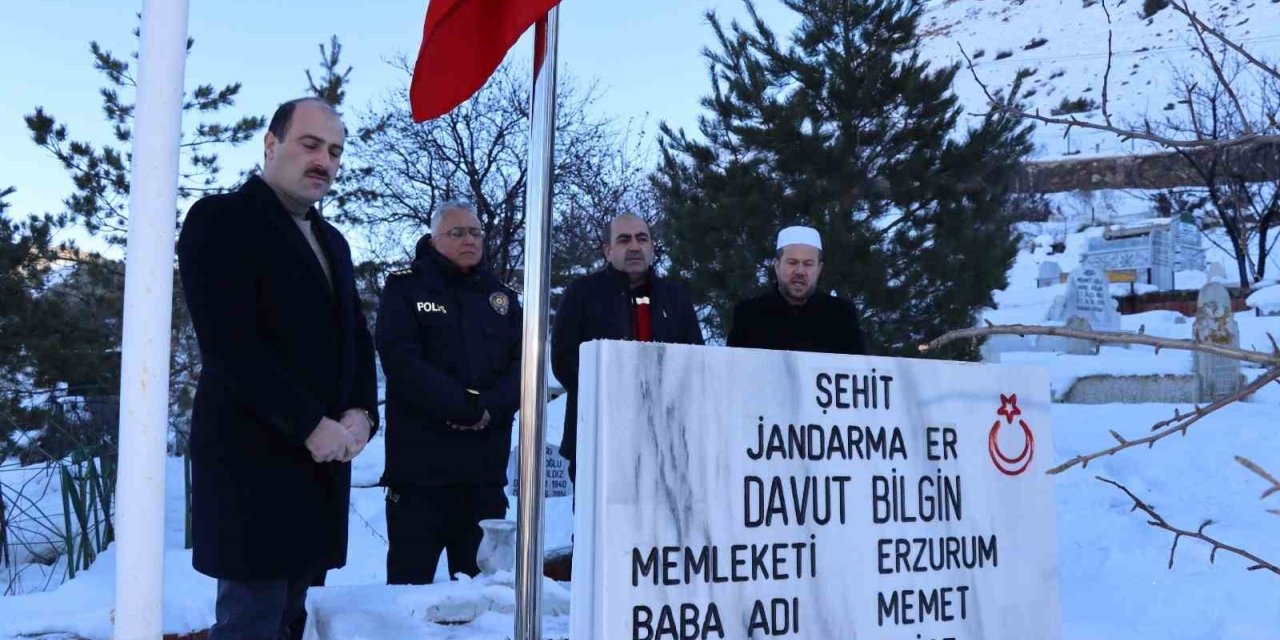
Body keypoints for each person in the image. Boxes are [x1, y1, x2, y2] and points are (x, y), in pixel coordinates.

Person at [177, 97, 378, 640]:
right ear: (271, 145)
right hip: (254, 466)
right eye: (310, 145)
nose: (325, 161)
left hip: (320, 471)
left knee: (290, 619)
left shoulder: (332, 241)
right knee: (251, 624)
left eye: (335, 152)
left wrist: (362, 414)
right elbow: (230, 343)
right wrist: (311, 425)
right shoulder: (220, 220)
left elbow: (357, 337)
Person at [375, 202, 523, 584]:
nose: (468, 240)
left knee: (485, 597)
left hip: (483, 477)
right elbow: (403, 361)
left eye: (475, 232)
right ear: (435, 239)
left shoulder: (502, 298)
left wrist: (489, 408)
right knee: (408, 595)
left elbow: (523, 369)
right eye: (457, 233)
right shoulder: (405, 289)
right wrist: (466, 408)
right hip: (420, 476)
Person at [551, 213, 704, 486]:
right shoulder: (582, 294)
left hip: (664, 438)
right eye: (624, 240)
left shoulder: (675, 296)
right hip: (599, 435)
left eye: (641, 238)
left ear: (652, 247)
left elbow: (695, 360)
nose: (634, 246)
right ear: (608, 251)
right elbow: (564, 362)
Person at [726, 225, 867, 355]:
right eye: (792, 263)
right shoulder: (749, 314)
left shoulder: (841, 315)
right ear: (777, 266)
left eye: (808, 264)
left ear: (819, 269)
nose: (800, 271)